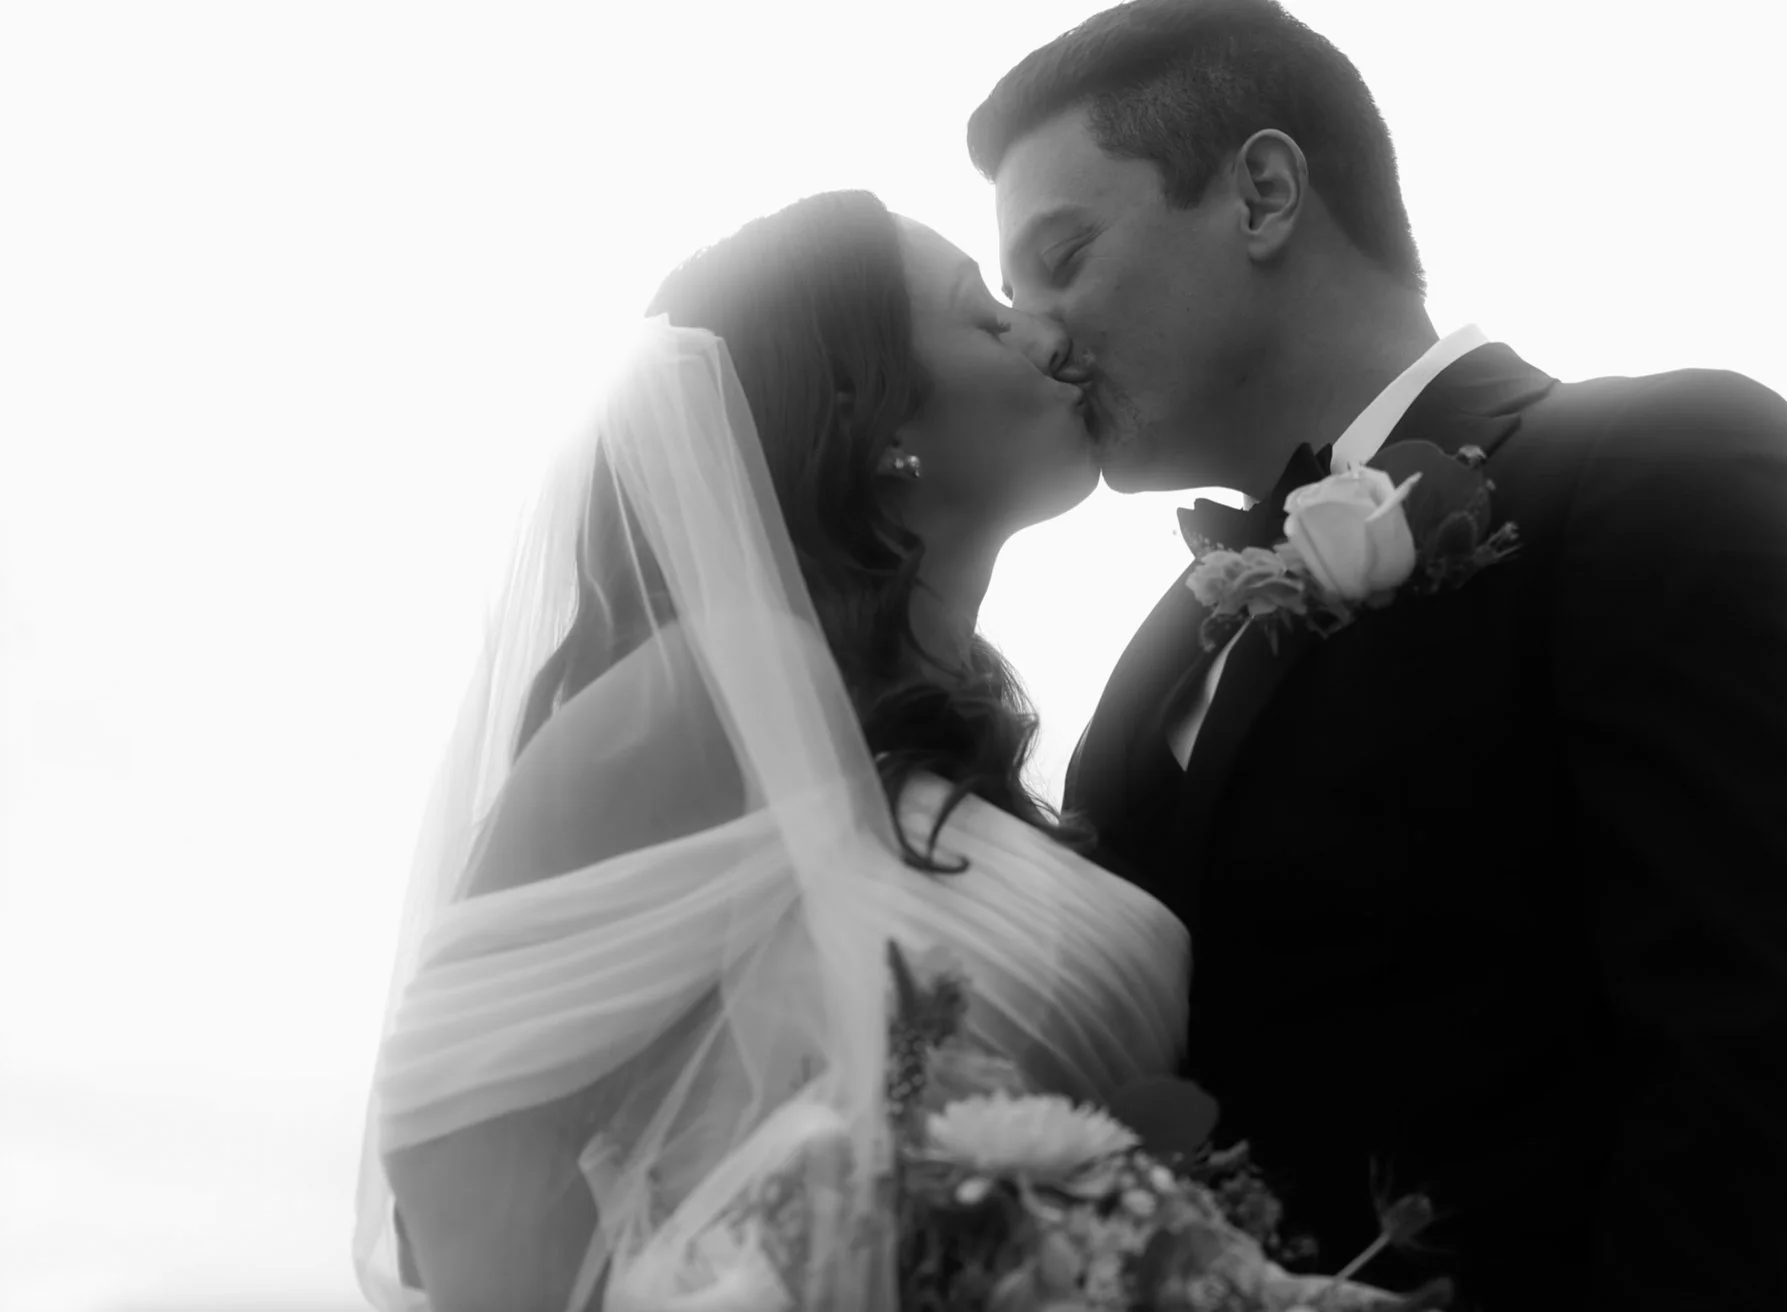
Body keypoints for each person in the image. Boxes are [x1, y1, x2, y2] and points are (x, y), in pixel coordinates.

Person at [969, 1, 1787, 1306]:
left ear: (1263, 192)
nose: (1042, 334)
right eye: (1013, 297)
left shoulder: (1664, 472)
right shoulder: (1161, 655)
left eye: (1062, 256)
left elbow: (1761, 1090)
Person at [351, 190, 1188, 1311]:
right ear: (872, 413)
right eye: (983, 319)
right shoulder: (718, 687)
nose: (1046, 332)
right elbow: (452, 1115)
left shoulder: (963, 765)